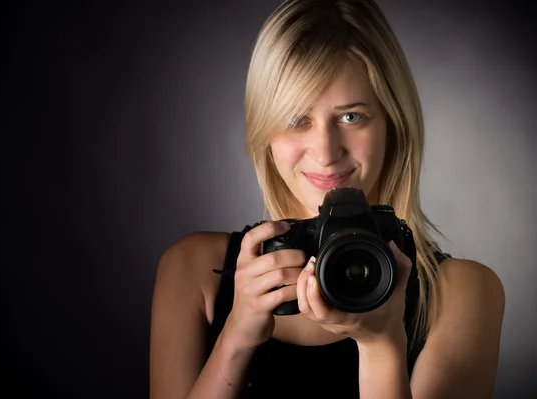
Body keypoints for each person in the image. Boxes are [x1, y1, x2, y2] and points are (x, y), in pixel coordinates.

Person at [149, 0, 505, 398]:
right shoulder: (193, 270)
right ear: (264, 131)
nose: (325, 150)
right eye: (295, 119)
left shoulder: (463, 292)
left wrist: (381, 346)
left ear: (394, 122)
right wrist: (236, 336)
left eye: (351, 116)